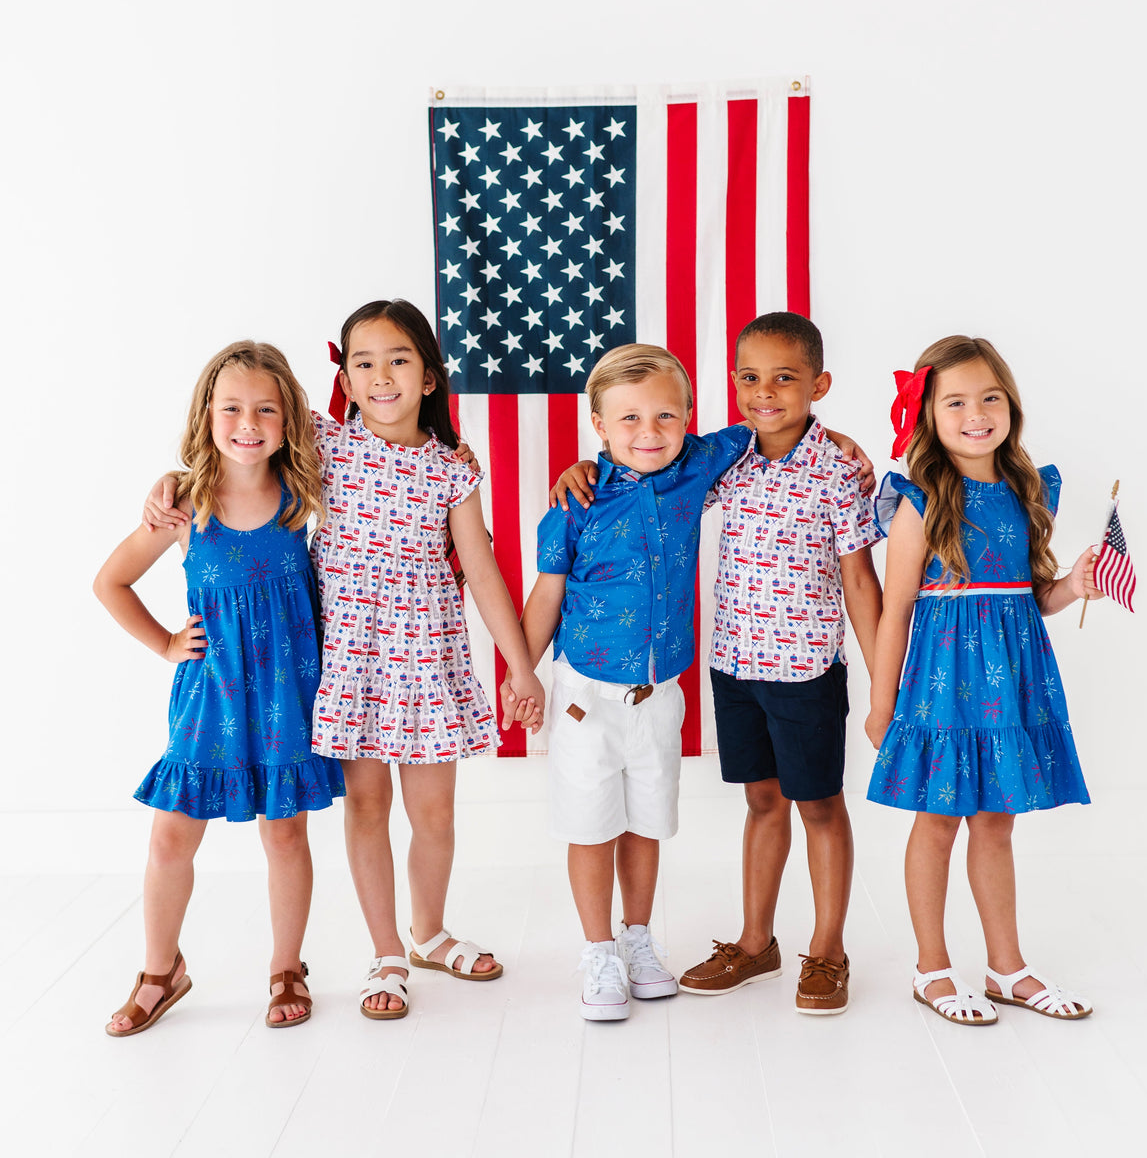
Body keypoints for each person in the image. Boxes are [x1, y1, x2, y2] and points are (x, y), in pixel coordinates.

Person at [145, 299, 544, 1020]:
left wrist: (520, 665)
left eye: (399, 360)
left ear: (429, 376)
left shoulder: (452, 468)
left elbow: (481, 569)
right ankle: (387, 951)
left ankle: (429, 932)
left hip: (427, 659)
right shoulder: (326, 446)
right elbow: (242, 440)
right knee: (366, 806)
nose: (381, 376)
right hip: (350, 661)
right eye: (363, 363)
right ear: (345, 380)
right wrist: (173, 482)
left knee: (435, 814)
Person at [95, 341, 344, 1036]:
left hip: (286, 699)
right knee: (172, 837)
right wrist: (166, 644)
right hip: (212, 699)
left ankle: (287, 967)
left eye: (266, 409)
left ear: (289, 419)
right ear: (206, 415)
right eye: (231, 407)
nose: (248, 422)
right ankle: (159, 969)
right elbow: (109, 582)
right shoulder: (184, 503)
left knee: (285, 836)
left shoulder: (304, 493)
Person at [504, 343, 754, 1020]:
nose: (650, 433)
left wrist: (834, 435)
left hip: (658, 699)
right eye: (630, 419)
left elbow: (768, 424)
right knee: (591, 827)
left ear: (690, 418)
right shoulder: (575, 503)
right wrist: (520, 673)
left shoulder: (698, 466)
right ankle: (598, 949)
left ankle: (638, 939)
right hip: (587, 698)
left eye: (666, 416)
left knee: (645, 823)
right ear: (599, 425)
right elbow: (547, 596)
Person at [864, 335, 1097, 1025]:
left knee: (996, 822)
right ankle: (931, 968)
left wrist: (1075, 586)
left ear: (1010, 406)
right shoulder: (921, 500)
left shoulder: (1030, 490)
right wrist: (882, 704)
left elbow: (1031, 596)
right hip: (941, 682)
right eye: (956, 401)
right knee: (936, 820)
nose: (976, 413)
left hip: (1013, 681)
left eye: (989, 397)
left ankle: (1007, 966)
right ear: (929, 414)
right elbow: (896, 607)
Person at [675, 312, 882, 1015]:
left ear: (819, 384)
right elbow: (654, 475)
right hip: (734, 663)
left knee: (819, 805)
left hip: (806, 672)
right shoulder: (725, 457)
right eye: (750, 378)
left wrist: (885, 673)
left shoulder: (838, 469)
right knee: (762, 801)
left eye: (785, 378)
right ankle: (755, 941)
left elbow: (860, 579)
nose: (765, 392)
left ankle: (828, 950)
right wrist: (589, 465)